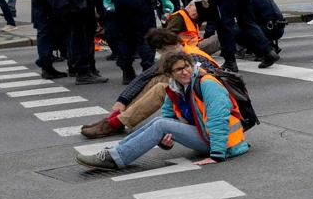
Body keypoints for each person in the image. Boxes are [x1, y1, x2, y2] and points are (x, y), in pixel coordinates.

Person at [76, 52, 248, 171]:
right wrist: (165, 142)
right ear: (169, 74)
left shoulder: (207, 83)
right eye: (179, 69)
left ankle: (116, 158)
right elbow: (167, 120)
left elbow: (218, 118)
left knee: (160, 124)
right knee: (158, 123)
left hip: (226, 144)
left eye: (187, 66)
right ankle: (113, 151)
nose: (186, 71)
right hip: (206, 136)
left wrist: (217, 155)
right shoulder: (174, 88)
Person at [80, 28, 220, 138]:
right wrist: (122, 100)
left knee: (161, 86)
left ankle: (116, 122)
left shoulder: (186, 56)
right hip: (203, 97)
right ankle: (115, 118)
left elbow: (201, 82)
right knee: (156, 79)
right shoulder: (181, 52)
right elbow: (144, 77)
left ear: (161, 50)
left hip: (207, 102)